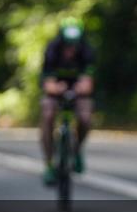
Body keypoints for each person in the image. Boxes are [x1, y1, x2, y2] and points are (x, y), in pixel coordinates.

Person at [39, 18, 95, 185]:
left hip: (78, 92)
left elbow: (88, 82)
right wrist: (56, 88)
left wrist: (79, 89)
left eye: (74, 45)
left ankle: (77, 151)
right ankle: (49, 164)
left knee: (85, 116)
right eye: (67, 45)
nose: (71, 50)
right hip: (56, 90)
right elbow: (47, 82)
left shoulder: (87, 51)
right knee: (47, 113)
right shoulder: (52, 50)